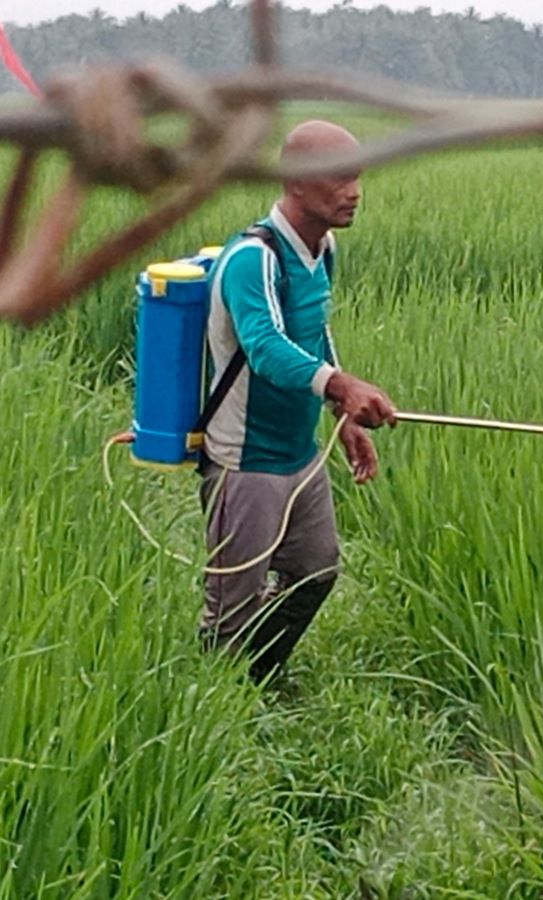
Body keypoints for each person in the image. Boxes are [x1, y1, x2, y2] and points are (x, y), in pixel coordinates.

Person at [198, 120, 396, 682]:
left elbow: (313, 332)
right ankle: (219, 717)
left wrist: (340, 412)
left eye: (358, 175)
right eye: (338, 177)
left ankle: (259, 678)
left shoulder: (322, 249)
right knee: (231, 608)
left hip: (299, 453)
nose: (354, 190)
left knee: (315, 570)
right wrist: (343, 386)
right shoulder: (251, 260)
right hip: (247, 461)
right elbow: (264, 348)